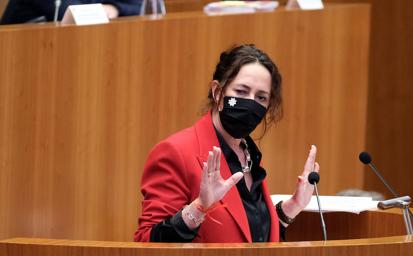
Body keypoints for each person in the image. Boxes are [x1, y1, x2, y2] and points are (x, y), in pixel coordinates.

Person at [134, 44, 319, 243]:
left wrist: (293, 206)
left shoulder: (249, 155)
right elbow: (146, 243)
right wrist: (199, 207)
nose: (250, 103)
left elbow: (250, 236)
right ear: (218, 92)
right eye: (241, 91)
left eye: (261, 97)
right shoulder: (175, 152)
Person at [0, 0, 141, 25]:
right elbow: (70, 13)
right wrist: (105, 9)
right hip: (17, 54)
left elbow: (138, 6)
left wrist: (114, 8)